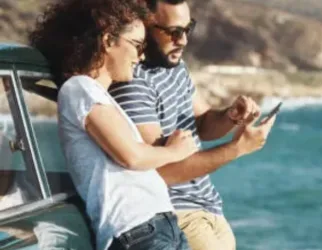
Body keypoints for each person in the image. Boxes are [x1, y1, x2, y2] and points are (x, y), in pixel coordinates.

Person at [29, 0, 198, 250]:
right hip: (137, 231)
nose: (141, 56)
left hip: (158, 227)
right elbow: (130, 156)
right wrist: (175, 151)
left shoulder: (97, 95)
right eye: (138, 45)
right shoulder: (79, 88)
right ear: (108, 41)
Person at [109, 0, 277, 249]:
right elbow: (160, 173)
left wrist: (231, 116)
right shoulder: (134, 83)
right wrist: (237, 148)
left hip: (208, 207)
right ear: (145, 26)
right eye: (174, 32)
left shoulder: (175, 67)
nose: (183, 40)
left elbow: (203, 123)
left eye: (188, 29)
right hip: (177, 215)